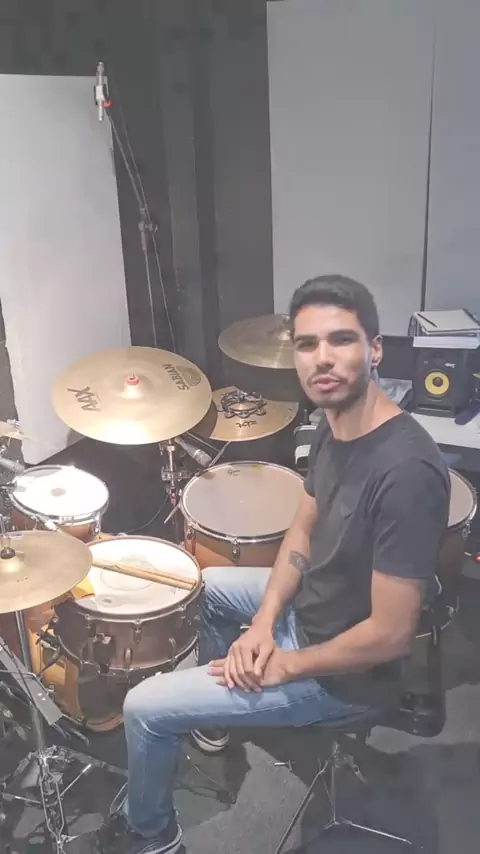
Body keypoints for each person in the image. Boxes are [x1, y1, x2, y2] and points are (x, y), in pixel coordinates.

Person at [93, 274, 450, 854]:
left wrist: (285, 665)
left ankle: (151, 834)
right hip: (309, 613)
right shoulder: (335, 427)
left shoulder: (407, 472)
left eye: (341, 339)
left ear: (376, 349)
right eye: (307, 344)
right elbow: (302, 531)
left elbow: (389, 635)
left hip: (341, 676)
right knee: (206, 584)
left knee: (143, 708)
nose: (322, 358)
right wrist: (261, 623)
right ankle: (214, 716)